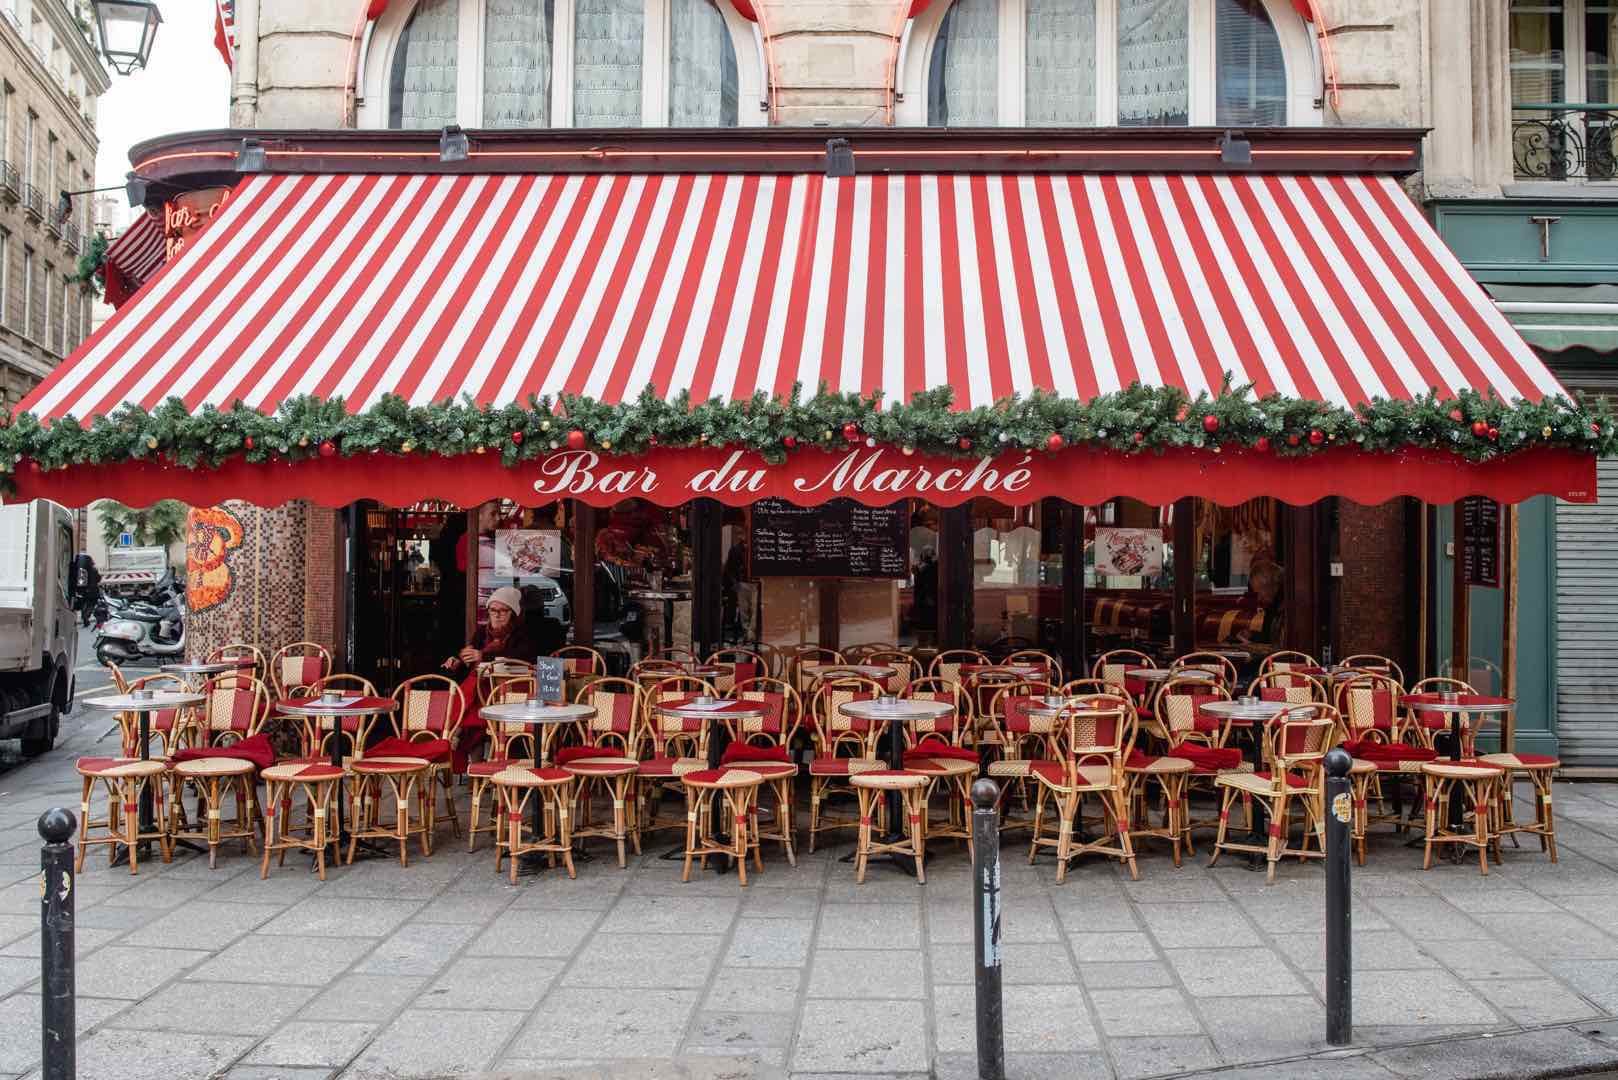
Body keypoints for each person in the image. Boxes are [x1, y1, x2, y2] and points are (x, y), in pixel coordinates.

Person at [73, 553, 101, 627]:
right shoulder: (93, 570)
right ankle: (86, 616)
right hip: (93, 591)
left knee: (84, 604)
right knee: (91, 604)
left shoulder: (80, 570)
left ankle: (84, 617)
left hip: (83, 591)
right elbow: (98, 579)